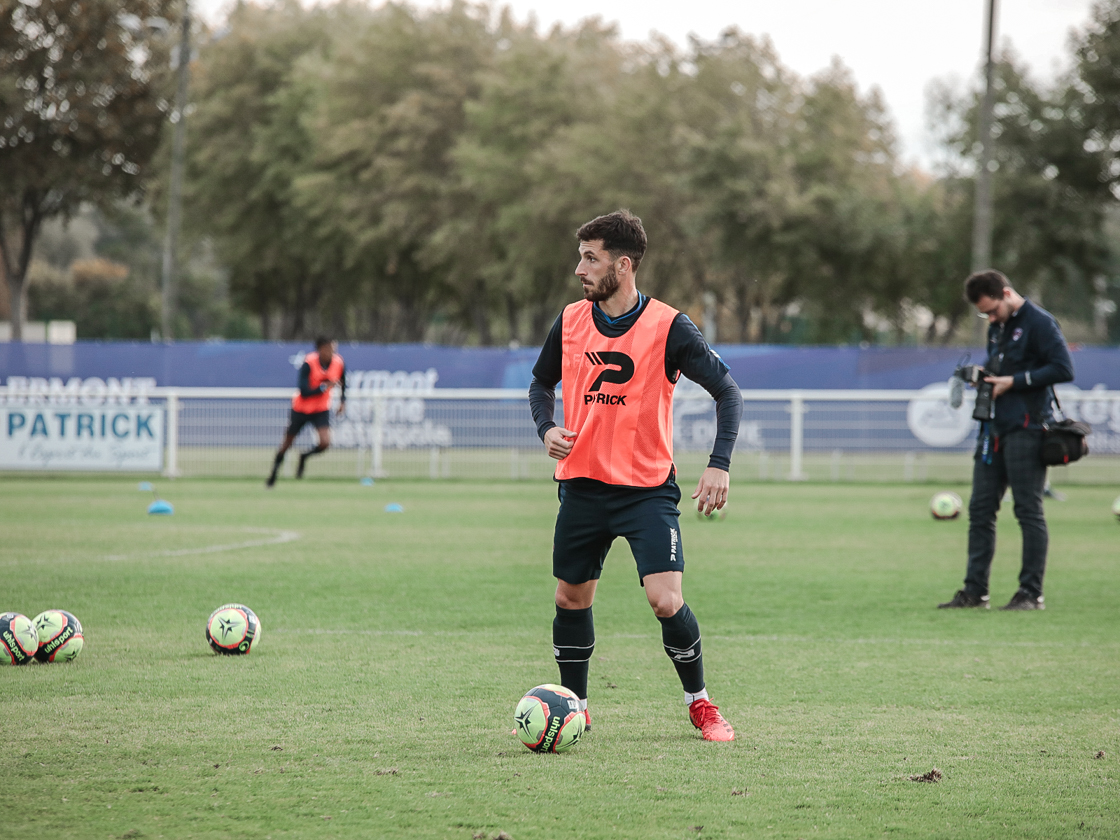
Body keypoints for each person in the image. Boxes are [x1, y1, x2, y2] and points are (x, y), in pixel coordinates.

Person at [528, 210, 743, 741]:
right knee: (570, 599)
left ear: (623, 266)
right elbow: (540, 384)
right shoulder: (571, 319)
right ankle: (574, 707)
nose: (579, 269)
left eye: (590, 258)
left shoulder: (669, 326)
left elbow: (728, 392)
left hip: (646, 490)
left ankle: (701, 704)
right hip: (580, 486)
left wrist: (719, 465)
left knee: (665, 600)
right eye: (581, 257)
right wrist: (545, 427)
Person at [939, 270, 1074, 611]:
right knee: (980, 511)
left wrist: (1013, 382)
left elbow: (1062, 368)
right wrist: (983, 378)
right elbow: (1001, 365)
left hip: (1027, 429)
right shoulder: (997, 326)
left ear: (1007, 293)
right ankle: (974, 592)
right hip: (993, 431)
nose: (990, 317)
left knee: (1028, 511)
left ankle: (1030, 593)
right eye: (984, 313)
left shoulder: (1040, 322)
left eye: (992, 310)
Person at [266, 336, 346, 487]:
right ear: (321, 349)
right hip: (301, 409)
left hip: (321, 409)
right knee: (287, 443)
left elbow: (343, 382)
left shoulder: (338, 362)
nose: (332, 352)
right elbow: (303, 391)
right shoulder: (309, 363)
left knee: (325, 442)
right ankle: (273, 475)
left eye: (334, 348)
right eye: (329, 348)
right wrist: (324, 387)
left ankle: (304, 456)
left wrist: (343, 401)